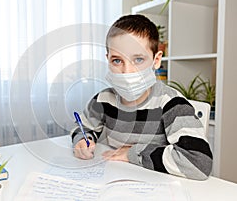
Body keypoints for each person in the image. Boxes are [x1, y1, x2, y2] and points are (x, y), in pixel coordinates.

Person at [71, 14, 213, 180]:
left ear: (156, 60)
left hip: (156, 185)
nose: (127, 71)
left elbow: (199, 162)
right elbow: (82, 127)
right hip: (112, 178)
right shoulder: (103, 100)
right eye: (117, 60)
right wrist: (82, 140)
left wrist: (132, 153)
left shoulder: (172, 104)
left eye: (138, 59)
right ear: (108, 60)